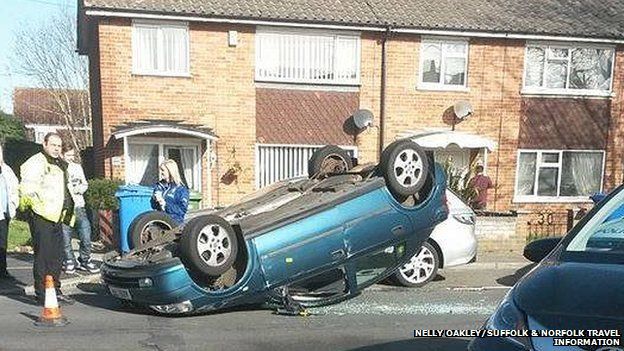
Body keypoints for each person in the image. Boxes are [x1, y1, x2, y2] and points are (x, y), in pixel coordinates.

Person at [19, 133, 75, 305]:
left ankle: (55, 290)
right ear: (44, 144)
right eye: (53, 145)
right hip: (42, 216)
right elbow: (28, 189)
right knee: (43, 256)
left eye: (59, 146)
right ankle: (42, 293)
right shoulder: (35, 162)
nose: (57, 148)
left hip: (57, 216)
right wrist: (38, 209)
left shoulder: (60, 164)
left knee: (56, 256)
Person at [61, 145, 99, 274]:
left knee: (85, 235)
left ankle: (85, 260)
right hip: (65, 208)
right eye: (68, 155)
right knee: (66, 237)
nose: (71, 158)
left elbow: (84, 184)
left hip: (79, 206)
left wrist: (80, 189)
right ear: (62, 155)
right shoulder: (59, 168)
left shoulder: (77, 167)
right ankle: (69, 260)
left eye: (72, 155)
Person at [0, 142, 19, 280]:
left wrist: (13, 205)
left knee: (2, 243)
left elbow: (14, 188)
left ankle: (3, 270)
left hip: (4, 212)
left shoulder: (7, 170)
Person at [151, 160, 190, 224]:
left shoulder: (181, 189)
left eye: (163, 170)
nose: (161, 172)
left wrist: (165, 205)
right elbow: (153, 206)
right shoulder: (159, 186)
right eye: (160, 170)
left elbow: (182, 210)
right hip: (159, 222)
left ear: (170, 171)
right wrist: (155, 199)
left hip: (174, 224)